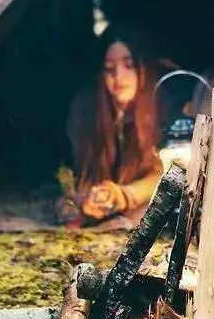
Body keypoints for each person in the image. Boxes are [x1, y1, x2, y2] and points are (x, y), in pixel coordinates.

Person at [61, 25, 162, 222]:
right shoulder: (85, 109)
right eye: (109, 69)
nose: (118, 77)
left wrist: (125, 195)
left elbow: (169, 175)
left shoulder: (162, 106)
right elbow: (82, 169)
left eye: (129, 65)